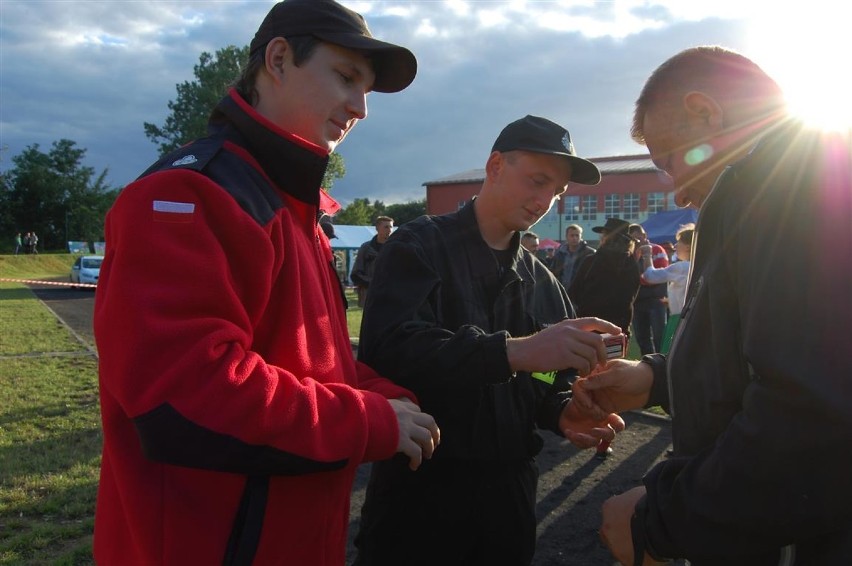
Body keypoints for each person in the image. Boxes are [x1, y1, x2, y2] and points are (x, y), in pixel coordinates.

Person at [92, 1, 441, 564]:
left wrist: (377, 391)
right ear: (277, 59)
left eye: (368, 89)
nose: (361, 108)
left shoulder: (297, 211)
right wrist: (366, 420)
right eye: (347, 77)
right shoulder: (186, 198)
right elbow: (184, 397)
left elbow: (309, 363)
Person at [574, 45, 852, 565]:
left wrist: (661, 519)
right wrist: (658, 378)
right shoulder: (774, 186)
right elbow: (772, 356)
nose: (676, 192)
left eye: (669, 161)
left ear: (706, 113)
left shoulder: (797, 184)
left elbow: (814, 414)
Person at [353, 115, 626, 566]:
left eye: (556, 192)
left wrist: (563, 410)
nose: (545, 201)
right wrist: (511, 352)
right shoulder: (418, 245)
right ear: (495, 165)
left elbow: (544, 381)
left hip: (508, 498)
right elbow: (390, 350)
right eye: (537, 181)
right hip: (421, 492)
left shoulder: (544, 281)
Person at [567, 217, 640, 460]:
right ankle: (604, 439)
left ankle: (581, 425)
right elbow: (632, 297)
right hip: (617, 332)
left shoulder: (591, 261)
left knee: (585, 379)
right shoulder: (631, 265)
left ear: (606, 237)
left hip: (590, 330)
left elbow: (573, 292)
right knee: (609, 382)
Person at [639, 223, 694, 354]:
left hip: (678, 320)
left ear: (687, 246)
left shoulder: (682, 267)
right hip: (692, 319)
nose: (675, 246)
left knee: (671, 356)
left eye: (678, 242)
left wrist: (647, 254)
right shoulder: (697, 266)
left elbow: (650, 276)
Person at [628, 223, 668, 354]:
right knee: (642, 338)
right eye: (632, 239)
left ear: (644, 236)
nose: (636, 242)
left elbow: (658, 275)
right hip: (638, 301)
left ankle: (662, 365)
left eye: (637, 238)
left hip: (656, 300)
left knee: (659, 336)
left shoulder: (657, 250)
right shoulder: (630, 254)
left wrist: (640, 279)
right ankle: (648, 365)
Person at [350, 215, 393, 307]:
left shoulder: (395, 248)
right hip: (369, 296)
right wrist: (374, 283)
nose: (389, 230)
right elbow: (356, 274)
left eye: (391, 227)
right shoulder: (366, 248)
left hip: (390, 295)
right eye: (386, 227)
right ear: (377, 228)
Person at [550, 223, 596, 288]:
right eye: (572, 235)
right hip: (562, 290)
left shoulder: (589, 253)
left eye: (577, 235)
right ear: (566, 237)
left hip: (580, 291)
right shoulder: (560, 253)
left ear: (581, 236)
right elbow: (553, 272)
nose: (574, 238)